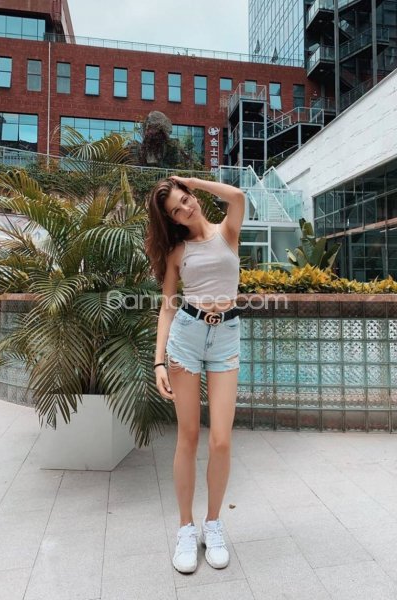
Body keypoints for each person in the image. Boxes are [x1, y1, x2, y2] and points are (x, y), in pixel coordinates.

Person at [145, 175, 245, 574]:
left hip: (226, 338)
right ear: (172, 220)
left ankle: (213, 524)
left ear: (192, 195)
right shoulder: (177, 252)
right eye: (176, 210)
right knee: (187, 436)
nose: (185, 209)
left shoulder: (228, 232)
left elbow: (237, 195)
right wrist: (158, 361)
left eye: (185, 200)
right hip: (186, 338)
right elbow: (168, 307)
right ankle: (186, 528)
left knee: (221, 440)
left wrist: (189, 180)